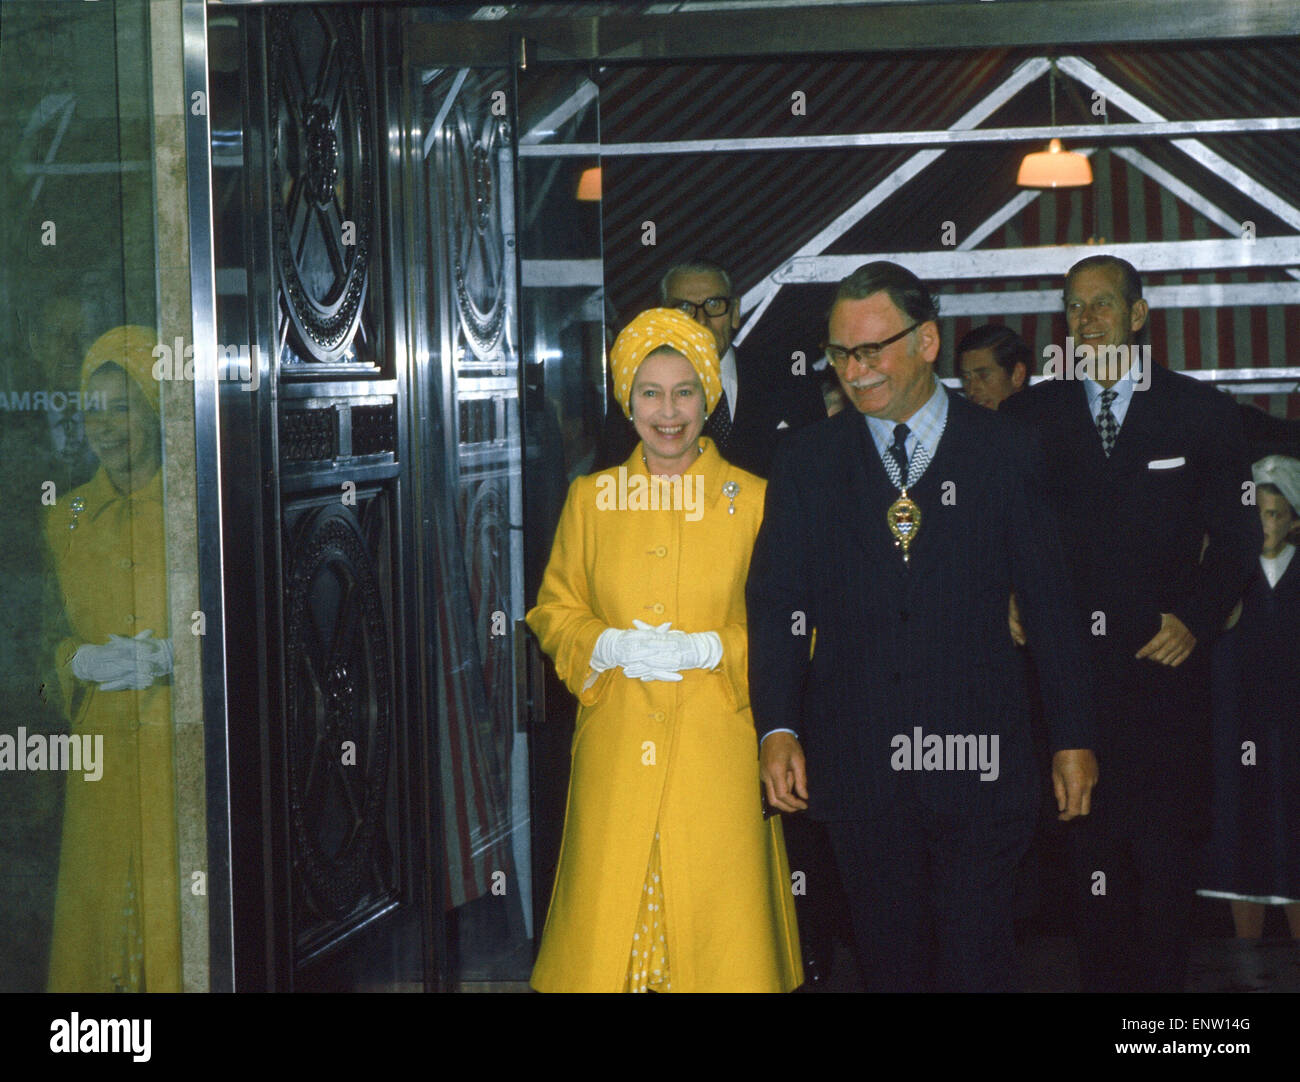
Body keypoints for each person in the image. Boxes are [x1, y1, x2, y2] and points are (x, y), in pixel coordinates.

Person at [747, 261, 1097, 992]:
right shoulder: (807, 462)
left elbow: (1052, 605)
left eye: (874, 348)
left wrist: (1073, 737)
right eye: (842, 352)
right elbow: (778, 603)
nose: (856, 369)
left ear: (929, 340)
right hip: (858, 769)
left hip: (980, 763)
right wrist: (777, 726)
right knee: (888, 963)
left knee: (978, 959)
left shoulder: (1006, 450)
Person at [1002, 254, 1261, 992]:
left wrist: (1197, 618)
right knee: (1088, 869)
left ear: (1138, 316)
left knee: (1166, 867)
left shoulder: (1198, 411)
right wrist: (1008, 594)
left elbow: (1240, 535)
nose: (1087, 322)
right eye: (1074, 308)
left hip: (1165, 679)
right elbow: (1000, 529)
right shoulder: (1030, 417)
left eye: (1103, 305)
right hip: (1070, 685)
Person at [526, 307, 802, 993]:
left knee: (719, 947)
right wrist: (605, 643)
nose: (669, 411)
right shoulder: (590, 500)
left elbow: (802, 624)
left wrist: (717, 649)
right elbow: (553, 611)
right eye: (650, 392)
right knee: (611, 942)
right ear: (628, 401)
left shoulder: (758, 501)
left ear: (708, 399)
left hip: (720, 755)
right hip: (615, 751)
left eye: (685, 392)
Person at [44, 326, 180, 991]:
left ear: (154, 406)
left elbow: (244, 630)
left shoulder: (193, 511)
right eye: (91, 410)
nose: (105, 427)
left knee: (172, 920)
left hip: (177, 756)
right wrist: (76, 663)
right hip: (97, 765)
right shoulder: (64, 518)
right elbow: (35, 648)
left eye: (121, 406)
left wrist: (179, 657)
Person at [598, 259, 826, 476]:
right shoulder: (637, 396)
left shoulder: (791, 382)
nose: (701, 321)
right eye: (685, 308)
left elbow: (819, 476)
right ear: (663, 318)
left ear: (735, 313)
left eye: (714, 305)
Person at [1198, 455, 1300, 939]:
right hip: (1236, 729)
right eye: (1258, 512)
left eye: (1277, 513)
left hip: (1292, 732)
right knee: (1243, 836)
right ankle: (1247, 958)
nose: (1267, 523)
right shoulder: (1223, 571)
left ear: (1294, 520)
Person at [956, 324, 1032, 410]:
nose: (972, 390)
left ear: (1017, 375)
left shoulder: (1044, 420)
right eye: (966, 377)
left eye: (983, 376)